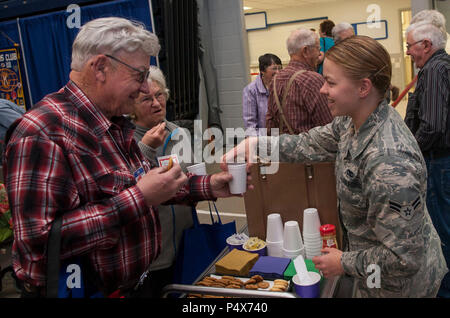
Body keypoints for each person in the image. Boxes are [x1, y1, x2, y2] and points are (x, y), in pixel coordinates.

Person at [3, 17, 240, 298]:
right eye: (139, 76)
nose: (144, 88)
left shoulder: (113, 122)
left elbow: (149, 184)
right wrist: (139, 198)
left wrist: (209, 185)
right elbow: (38, 242)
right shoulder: (43, 131)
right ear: (101, 68)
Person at [224, 35, 448, 297]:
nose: (322, 90)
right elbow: (310, 143)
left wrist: (343, 262)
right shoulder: (354, 121)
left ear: (363, 87)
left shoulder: (389, 163)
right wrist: (255, 145)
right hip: (372, 275)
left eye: (330, 83)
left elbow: (404, 258)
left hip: (400, 287)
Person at [129, 66, 194, 297]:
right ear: (130, 107)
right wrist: (146, 149)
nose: (157, 103)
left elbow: (191, 177)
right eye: (146, 99)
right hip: (151, 253)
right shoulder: (125, 141)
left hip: (187, 240)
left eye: (160, 95)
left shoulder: (180, 134)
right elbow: (127, 189)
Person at [404, 14, 450, 298]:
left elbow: (432, 125)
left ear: (425, 44)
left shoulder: (434, 70)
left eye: (410, 46)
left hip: (437, 162)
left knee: (442, 233)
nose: (407, 52)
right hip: (441, 161)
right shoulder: (441, 66)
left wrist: (410, 151)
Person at [265, 28, 332, 135]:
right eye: (318, 49)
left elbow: (270, 123)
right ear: (305, 51)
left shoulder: (275, 80)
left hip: (283, 149)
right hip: (310, 150)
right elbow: (328, 127)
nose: (319, 54)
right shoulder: (313, 80)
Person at [243, 53, 282, 136]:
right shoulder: (251, 90)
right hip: (262, 140)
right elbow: (250, 125)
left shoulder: (283, 86)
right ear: (262, 71)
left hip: (282, 138)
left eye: (280, 68)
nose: (278, 72)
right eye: (274, 69)